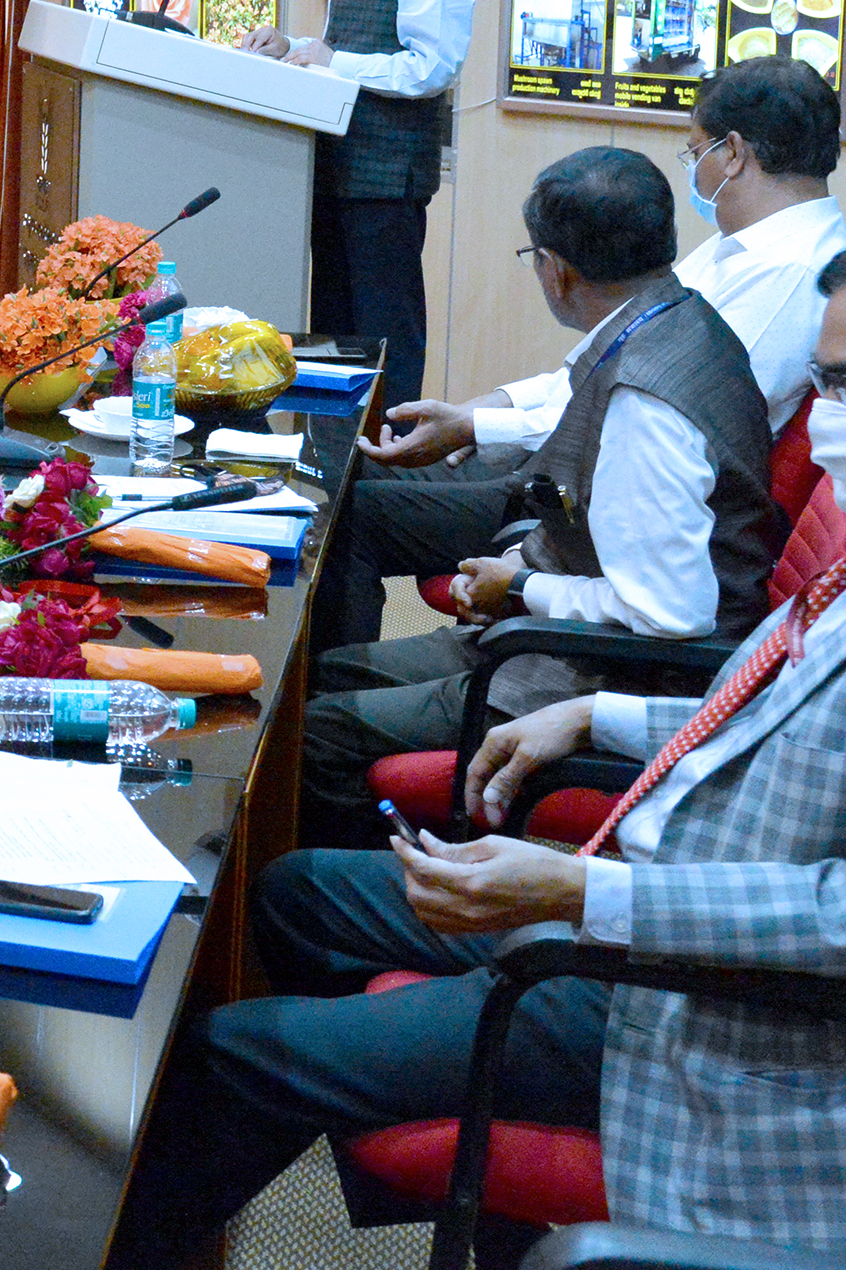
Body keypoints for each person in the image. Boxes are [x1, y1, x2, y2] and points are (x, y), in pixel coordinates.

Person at [107, 212, 846, 1270]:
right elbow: (786, 701)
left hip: (735, 1016)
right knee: (300, 895)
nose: (825, 418)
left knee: (237, 1057)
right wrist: (598, 714)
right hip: (660, 906)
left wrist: (585, 892)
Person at [298, 147, 777, 847]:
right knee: (324, 675)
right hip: (565, 636)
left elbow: (671, 616)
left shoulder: (644, 403)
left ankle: (376, 890)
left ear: (555, 269)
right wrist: (520, 570)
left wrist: (523, 588)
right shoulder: (677, 319)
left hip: (607, 677)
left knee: (318, 731)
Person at [335, 61, 846, 643]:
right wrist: (487, 408)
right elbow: (610, 360)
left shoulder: (789, 276)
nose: (693, 169)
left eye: (694, 151)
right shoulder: (742, 248)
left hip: (603, 512)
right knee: (349, 477)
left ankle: (317, 683)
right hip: (579, 475)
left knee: (348, 515)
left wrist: (480, 428)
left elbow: (640, 411)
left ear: (731, 152)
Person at [237, 0, 474, 410]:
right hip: (334, 172)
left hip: (387, 182)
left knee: (385, 328)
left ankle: (389, 440)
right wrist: (291, 47)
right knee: (332, 328)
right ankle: (330, 443)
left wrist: (332, 61)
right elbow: (346, 50)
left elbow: (431, 70)